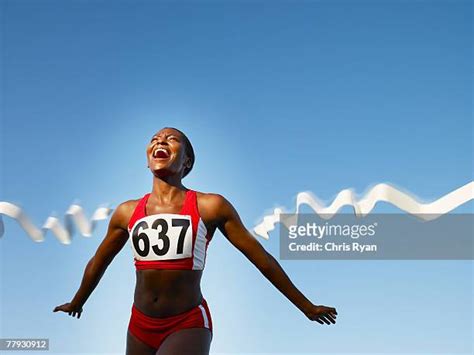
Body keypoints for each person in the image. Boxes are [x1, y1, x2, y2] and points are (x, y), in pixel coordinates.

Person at [53, 127, 338, 355]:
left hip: (187, 323)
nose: (160, 141)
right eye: (155, 139)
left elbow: (261, 259)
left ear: (186, 161)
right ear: (148, 157)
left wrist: (306, 306)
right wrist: (78, 301)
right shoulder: (127, 211)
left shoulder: (211, 206)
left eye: (171, 139)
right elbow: (99, 261)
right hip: (139, 324)